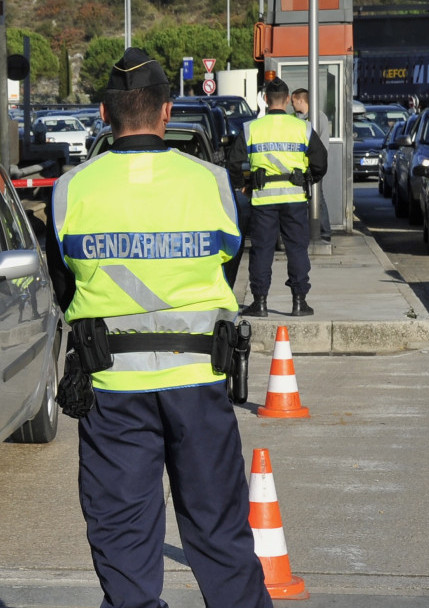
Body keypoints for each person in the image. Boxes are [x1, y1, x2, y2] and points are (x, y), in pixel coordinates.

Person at [49, 47, 270, 608]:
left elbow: (64, 286)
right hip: (199, 382)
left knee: (123, 542)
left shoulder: (72, 189)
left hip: (112, 390)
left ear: (104, 112)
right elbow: (227, 271)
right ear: (167, 111)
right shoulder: (212, 183)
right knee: (220, 534)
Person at [242, 78, 328, 317]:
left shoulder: (251, 128)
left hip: (263, 201)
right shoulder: (303, 128)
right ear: (288, 99)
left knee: (262, 250)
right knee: (297, 249)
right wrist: (309, 178)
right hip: (294, 199)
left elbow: (233, 162)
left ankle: (260, 303)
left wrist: (245, 185)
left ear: (266, 100)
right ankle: (299, 302)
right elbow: (321, 161)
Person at [290, 88, 333, 244]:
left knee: (317, 197)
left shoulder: (319, 117)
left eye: (293, 101)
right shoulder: (292, 118)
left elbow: (323, 145)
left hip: (312, 165)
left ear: (301, 100)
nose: (292, 105)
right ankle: (306, 231)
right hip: (297, 166)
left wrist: (316, 164)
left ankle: (324, 232)